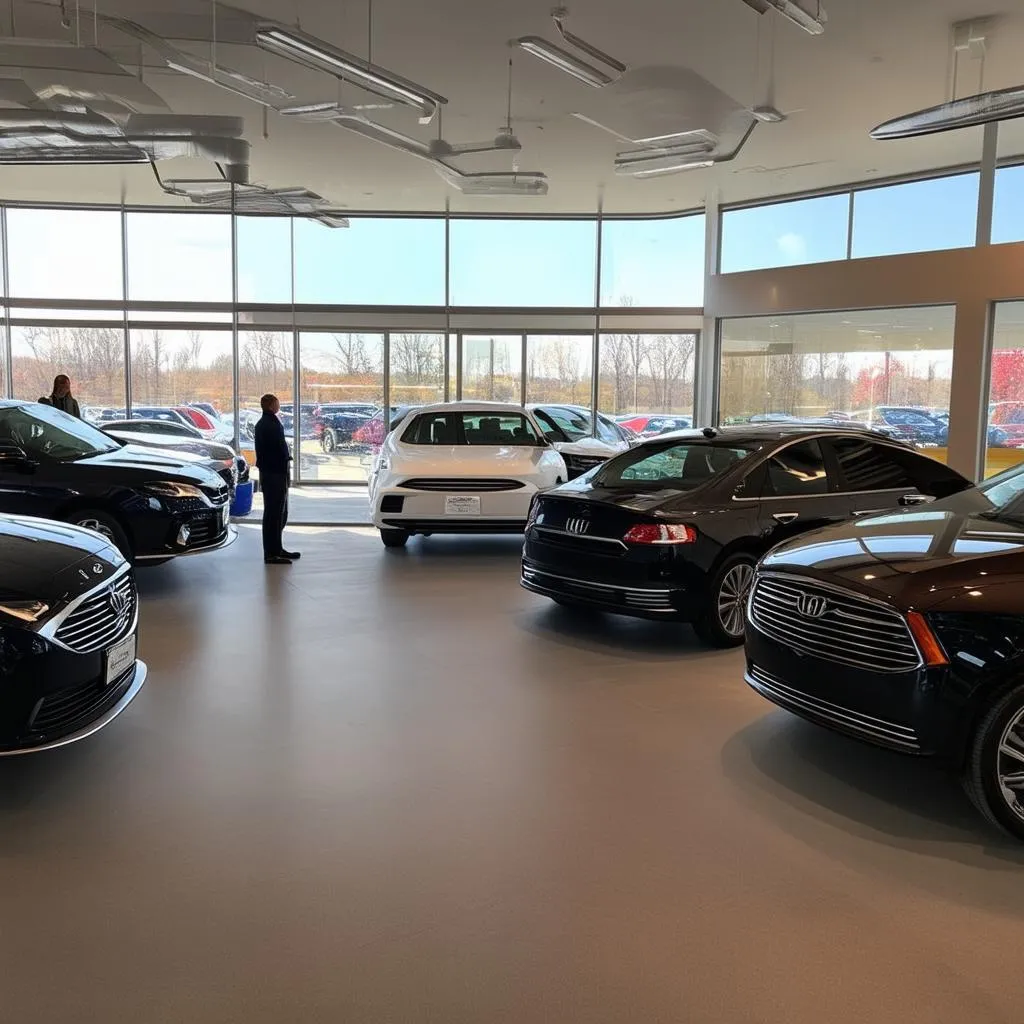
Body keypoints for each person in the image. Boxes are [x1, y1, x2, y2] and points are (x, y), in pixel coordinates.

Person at [254, 393, 300, 565]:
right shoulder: (267, 424)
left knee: (279, 512)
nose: (279, 405)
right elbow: (274, 450)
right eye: (277, 403)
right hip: (273, 474)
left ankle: (277, 548)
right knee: (273, 514)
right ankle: (271, 553)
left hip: (276, 473)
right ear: (271, 405)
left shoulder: (269, 422)